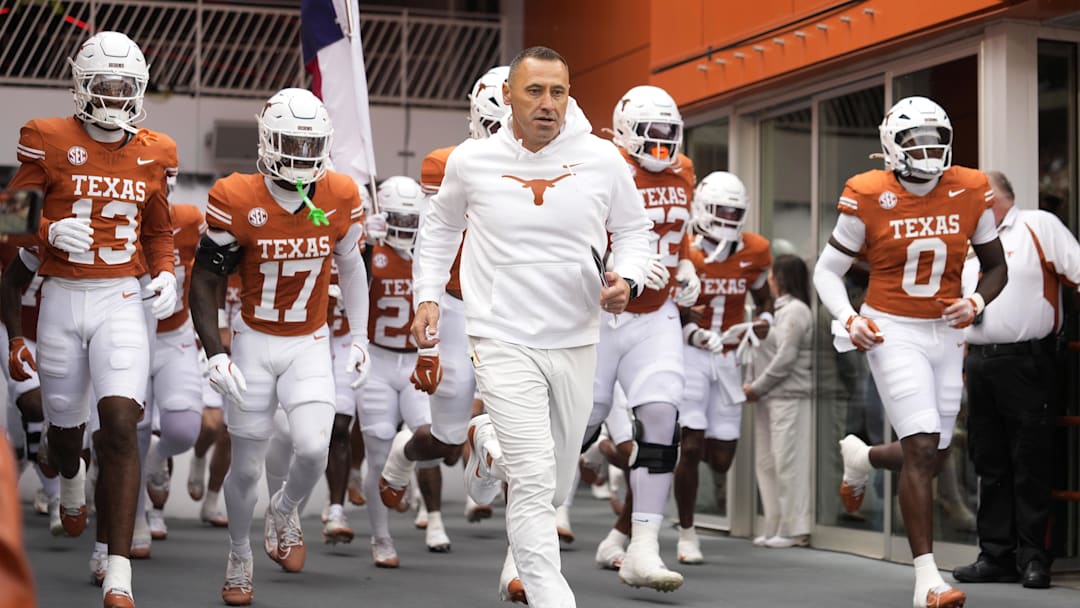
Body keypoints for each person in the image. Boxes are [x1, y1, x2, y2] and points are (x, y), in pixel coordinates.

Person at [410, 46, 652, 608]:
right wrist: (427, 296)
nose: (547, 104)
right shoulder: (471, 161)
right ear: (509, 97)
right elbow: (441, 229)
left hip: (577, 335)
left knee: (556, 479)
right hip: (500, 333)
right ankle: (551, 596)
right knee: (537, 475)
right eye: (535, 91)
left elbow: (636, 233)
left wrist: (630, 280)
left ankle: (488, 456)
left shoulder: (603, 159)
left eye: (558, 92)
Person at [3, 31, 179, 608]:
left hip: (121, 299)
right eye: (102, 85)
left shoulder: (157, 149)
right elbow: (12, 220)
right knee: (63, 433)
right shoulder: (46, 137)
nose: (112, 95)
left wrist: (165, 269)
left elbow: (157, 230)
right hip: (60, 297)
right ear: (80, 85)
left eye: (123, 86)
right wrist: (47, 230)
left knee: (122, 425)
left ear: (140, 89)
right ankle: (71, 477)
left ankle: (118, 571)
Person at [813, 96, 1008, 608]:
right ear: (891, 146)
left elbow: (996, 265)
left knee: (937, 452)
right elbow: (826, 271)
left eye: (934, 139)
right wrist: (850, 318)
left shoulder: (970, 187)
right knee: (922, 447)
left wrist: (976, 300)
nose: (926, 150)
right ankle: (928, 580)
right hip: (892, 328)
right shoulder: (868, 192)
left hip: (946, 331)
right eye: (914, 141)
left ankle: (863, 457)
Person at [188, 87, 370, 606]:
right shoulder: (236, 195)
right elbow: (205, 278)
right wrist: (214, 351)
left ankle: (285, 508)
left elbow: (353, 267)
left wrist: (358, 335)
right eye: (291, 141)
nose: (302, 154)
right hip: (253, 340)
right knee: (245, 466)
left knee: (313, 447)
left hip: (309, 340)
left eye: (312, 143)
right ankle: (239, 554)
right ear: (268, 140)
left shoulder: (337, 193)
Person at [378, 65, 510, 528]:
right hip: (456, 305)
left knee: (524, 433)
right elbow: (433, 245)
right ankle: (402, 453)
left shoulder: (554, 167)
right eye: (499, 125)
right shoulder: (447, 164)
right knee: (446, 442)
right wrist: (429, 330)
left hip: (514, 312)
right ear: (477, 119)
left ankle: (523, 566)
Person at [582, 84, 700, 589]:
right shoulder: (601, 167)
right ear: (626, 134)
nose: (660, 146)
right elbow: (574, 241)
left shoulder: (685, 170)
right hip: (602, 316)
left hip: (657, 316)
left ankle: (643, 548)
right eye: (649, 136)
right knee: (579, 425)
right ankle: (529, 536)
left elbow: (680, 232)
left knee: (662, 421)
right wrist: (620, 271)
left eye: (667, 136)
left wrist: (688, 265)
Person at [952, 170, 1080, 589]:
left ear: (990, 197)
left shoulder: (1037, 225)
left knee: (1030, 460)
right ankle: (995, 554)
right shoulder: (969, 242)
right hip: (980, 362)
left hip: (1027, 361)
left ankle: (1033, 558)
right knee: (988, 460)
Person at [672, 170, 773, 563]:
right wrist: (693, 332)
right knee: (692, 446)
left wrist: (765, 322)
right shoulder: (687, 251)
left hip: (729, 357)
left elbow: (765, 300)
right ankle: (686, 532)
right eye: (720, 210)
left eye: (735, 211)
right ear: (701, 208)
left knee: (722, 458)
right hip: (691, 354)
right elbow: (669, 307)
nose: (728, 218)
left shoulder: (755, 250)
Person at [742, 253, 813, 548]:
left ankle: (794, 528)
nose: (769, 281)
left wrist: (756, 386)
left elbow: (786, 357)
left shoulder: (796, 311)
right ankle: (774, 522)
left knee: (788, 463)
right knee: (767, 462)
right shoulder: (780, 311)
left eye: (772, 275)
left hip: (788, 396)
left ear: (781, 278)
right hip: (769, 397)